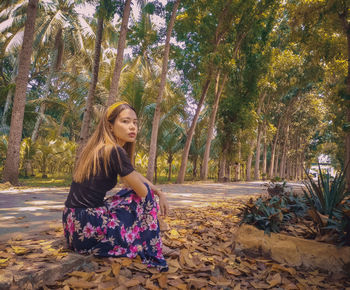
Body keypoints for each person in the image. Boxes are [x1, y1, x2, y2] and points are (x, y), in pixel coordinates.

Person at [62, 101, 169, 271]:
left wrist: (159, 191)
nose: (132, 127)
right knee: (142, 196)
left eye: (135, 122)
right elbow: (142, 191)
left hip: (73, 225)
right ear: (110, 126)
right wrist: (154, 193)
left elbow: (133, 174)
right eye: (125, 121)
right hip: (90, 227)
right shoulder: (114, 151)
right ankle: (152, 246)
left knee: (131, 193)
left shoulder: (99, 148)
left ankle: (147, 241)